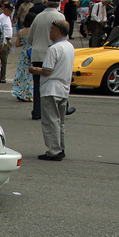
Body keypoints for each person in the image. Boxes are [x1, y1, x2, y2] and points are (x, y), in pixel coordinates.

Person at [29, 20, 75, 160]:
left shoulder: (54, 49)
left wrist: (35, 70)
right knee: (59, 121)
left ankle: (54, 150)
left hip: (51, 88)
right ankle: (60, 147)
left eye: (51, 30)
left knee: (50, 121)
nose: (49, 33)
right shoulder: (69, 46)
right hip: (63, 88)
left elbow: (47, 70)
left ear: (57, 31)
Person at [28, 0, 66, 119]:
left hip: (37, 53)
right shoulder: (60, 17)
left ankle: (37, 110)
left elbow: (30, 38)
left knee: (38, 84)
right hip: (51, 53)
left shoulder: (38, 17)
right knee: (55, 81)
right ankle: (57, 108)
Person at [11, 11, 36, 103]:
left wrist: (24, 43)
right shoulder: (34, 31)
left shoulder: (21, 31)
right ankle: (29, 93)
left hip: (24, 52)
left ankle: (20, 91)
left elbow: (17, 44)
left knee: (22, 73)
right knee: (31, 74)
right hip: (32, 52)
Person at [0, 2, 15, 83]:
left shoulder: (8, 17)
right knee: (3, 59)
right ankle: (1, 76)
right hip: (4, 40)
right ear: (5, 9)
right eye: (9, 9)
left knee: (4, 58)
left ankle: (2, 75)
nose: (10, 11)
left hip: (7, 39)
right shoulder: (1, 17)